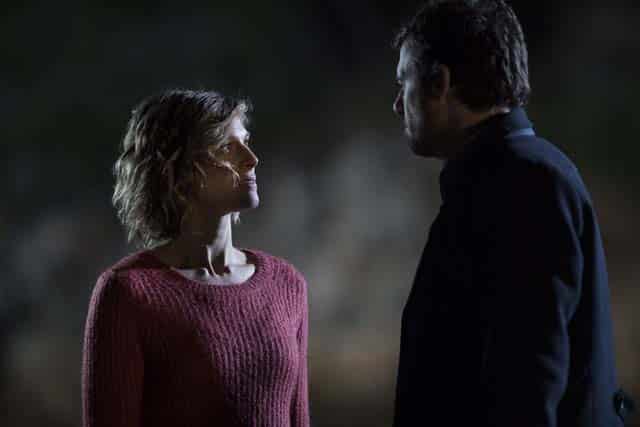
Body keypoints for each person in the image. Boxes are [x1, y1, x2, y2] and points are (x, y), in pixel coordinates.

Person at [391, 1, 634, 426]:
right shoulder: (506, 177)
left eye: (404, 82)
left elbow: (528, 380)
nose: (398, 104)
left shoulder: (524, 183)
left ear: (440, 82)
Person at [81, 89, 310, 427]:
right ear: (178, 171)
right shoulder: (128, 294)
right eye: (226, 148)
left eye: (246, 142)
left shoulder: (286, 285)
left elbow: (299, 418)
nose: (251, 159)